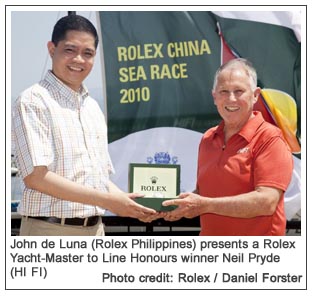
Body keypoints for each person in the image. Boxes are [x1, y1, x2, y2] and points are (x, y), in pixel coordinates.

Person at [12, 14, 156, 236]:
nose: (79, 59)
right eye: (70, 50)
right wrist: (110, 201)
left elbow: (97, 178)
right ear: (52, 49)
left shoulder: (92, 108)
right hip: (50, 230)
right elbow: (36, 177)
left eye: (87, 53)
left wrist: (128, 203)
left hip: (96, 229)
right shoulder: (33, 101)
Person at [162, 58, 294, 236]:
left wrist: (204, 205)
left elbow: (266, 202)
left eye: (239, 91)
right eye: (224, 91)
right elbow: (204, 192)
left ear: (255, 95)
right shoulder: (208, 138)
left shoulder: (270, 138)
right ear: (214, 97)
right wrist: (179, 206)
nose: (231, 99)